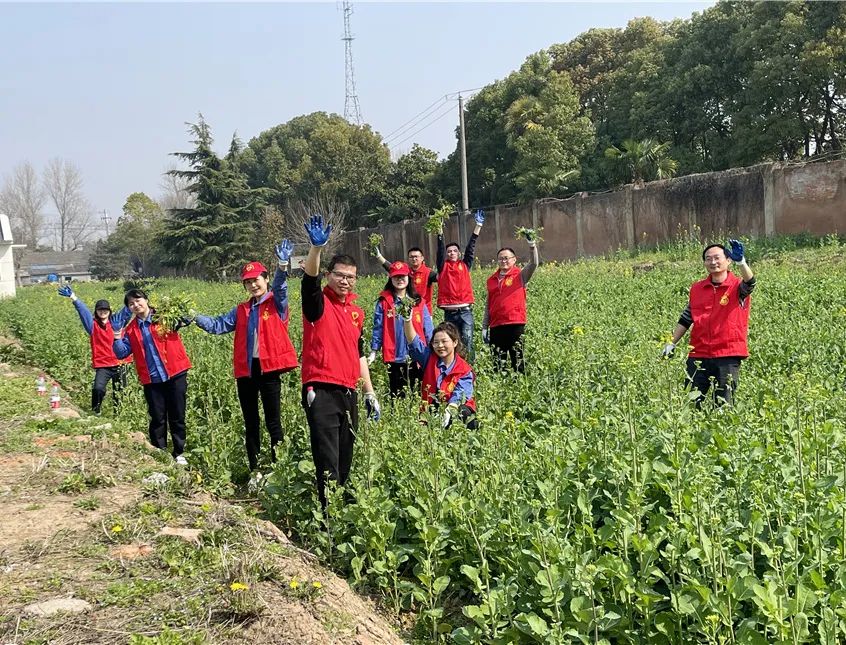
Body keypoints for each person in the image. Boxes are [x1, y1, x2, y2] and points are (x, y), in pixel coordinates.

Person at [194, 240, 298, 472]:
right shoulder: (242, 310)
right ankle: (255, 469)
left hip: (269, 370)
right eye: (248, 282)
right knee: (251, 422)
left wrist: (282, 266)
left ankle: (279, 470)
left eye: (256, 280)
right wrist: (194, 316)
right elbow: (218, 325)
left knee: (273, 422)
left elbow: (281, 287)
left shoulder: (276, 303)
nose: (253, 285)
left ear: (265, 279)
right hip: (247, 371)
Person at [300, 214, 381, 508]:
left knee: (346, 460)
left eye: (350, 277)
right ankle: (327, 522)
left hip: (349, 391)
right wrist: (316, 248)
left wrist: (369, 392)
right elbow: (309, 280)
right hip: (321, 390)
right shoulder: (318, 303)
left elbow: (358, 354)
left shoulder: (356, 313)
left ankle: (341, 515)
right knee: (328, 462)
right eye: (339, 275)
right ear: (329, 275)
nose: (345, 280)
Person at [661, 239, 756, 407]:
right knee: (691, 405)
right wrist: (671, 343)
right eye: (708, 259)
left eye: (717, 258)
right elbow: (687, 318)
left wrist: (741, 262)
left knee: (723, 405)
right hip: (698, 353)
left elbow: (750, 282)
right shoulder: (697, 288)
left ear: (728, 260)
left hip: (727, 354)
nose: (713, 262)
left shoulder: (737, 287)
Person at [113, 289, 192, 465]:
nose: (135, 305)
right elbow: (121, 353)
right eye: (131, 304)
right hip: (152, 379)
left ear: (146, 300)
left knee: (177, 415)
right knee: (157, 417)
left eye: (138, 300)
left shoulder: (163, 316)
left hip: (175, 373)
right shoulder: (131, 330)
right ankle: (160, 452)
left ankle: (179, 452)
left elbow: (185, 320)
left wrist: (183, 311)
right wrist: (117, 334)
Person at [58, 286, 132, 414]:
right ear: (96, 312)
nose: (103, 312)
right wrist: (73, 297)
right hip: (103, 365)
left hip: (121, 363)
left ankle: (119, 415)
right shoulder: (93, 325)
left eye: (105, 310)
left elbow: (127, 311)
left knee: (120, 392)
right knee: (98, 388)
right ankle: (96, 412)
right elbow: (84, 312)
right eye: (100, 310)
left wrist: (133, 298)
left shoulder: (117, 322)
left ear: (109, 311)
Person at [368, 261, 434, 398]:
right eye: (396, 277)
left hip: (417, 355)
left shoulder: (418, 302)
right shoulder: (384, 302)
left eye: (402, 276)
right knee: (397, 394)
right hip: (395, 356)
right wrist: (374, 350)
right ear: (390, 278)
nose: (399, 280)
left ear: (408, 277)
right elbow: (378, 328)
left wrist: (432, 348)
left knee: (419, 394)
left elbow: (428, 328)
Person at [404, 319, 477, 430]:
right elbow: (414, 343)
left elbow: (461, 394)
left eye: (444, 341)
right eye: (436, 342)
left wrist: (450, 409)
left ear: (455, 342)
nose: (440, 345)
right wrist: (407, 320)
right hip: (432, 408)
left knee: (464, 413)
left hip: (455, 407)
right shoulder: (429, 358)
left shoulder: (464, 369)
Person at [482, 238, 540, 373]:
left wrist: (532, 246)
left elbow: (534, 264)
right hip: (496, 325)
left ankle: (519, 384)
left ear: (514, 260)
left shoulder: (520, 275)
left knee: (518, 360)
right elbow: (489, 304)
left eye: (506, 258)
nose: (503, 261)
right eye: (501, 259)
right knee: (498, 363)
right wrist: (485, 326)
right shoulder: (491, 280)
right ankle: (501, 384)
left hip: (515, 323)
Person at [436, 209, 485, 361]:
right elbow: (439, 250)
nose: (451, 253)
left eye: (454, 251)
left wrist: (478, 226)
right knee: (451, 343)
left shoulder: (465, 265)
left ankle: (469, 368)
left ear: (459, 254)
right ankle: (454, 367)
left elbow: (471, 248)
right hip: (449, 313)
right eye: (449, 251)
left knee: (467, 341)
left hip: (465, 311)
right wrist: (439, 229)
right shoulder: (443, 267)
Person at [374, 246, 438, 313]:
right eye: (411, 257)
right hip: (406, 309)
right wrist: (379, 256)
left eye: (416, 256)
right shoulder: (405, 271)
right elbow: (392, 268)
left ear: (422, 258)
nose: (414, 259)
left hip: (424, 310)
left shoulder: (428, 273)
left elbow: (440, 277)